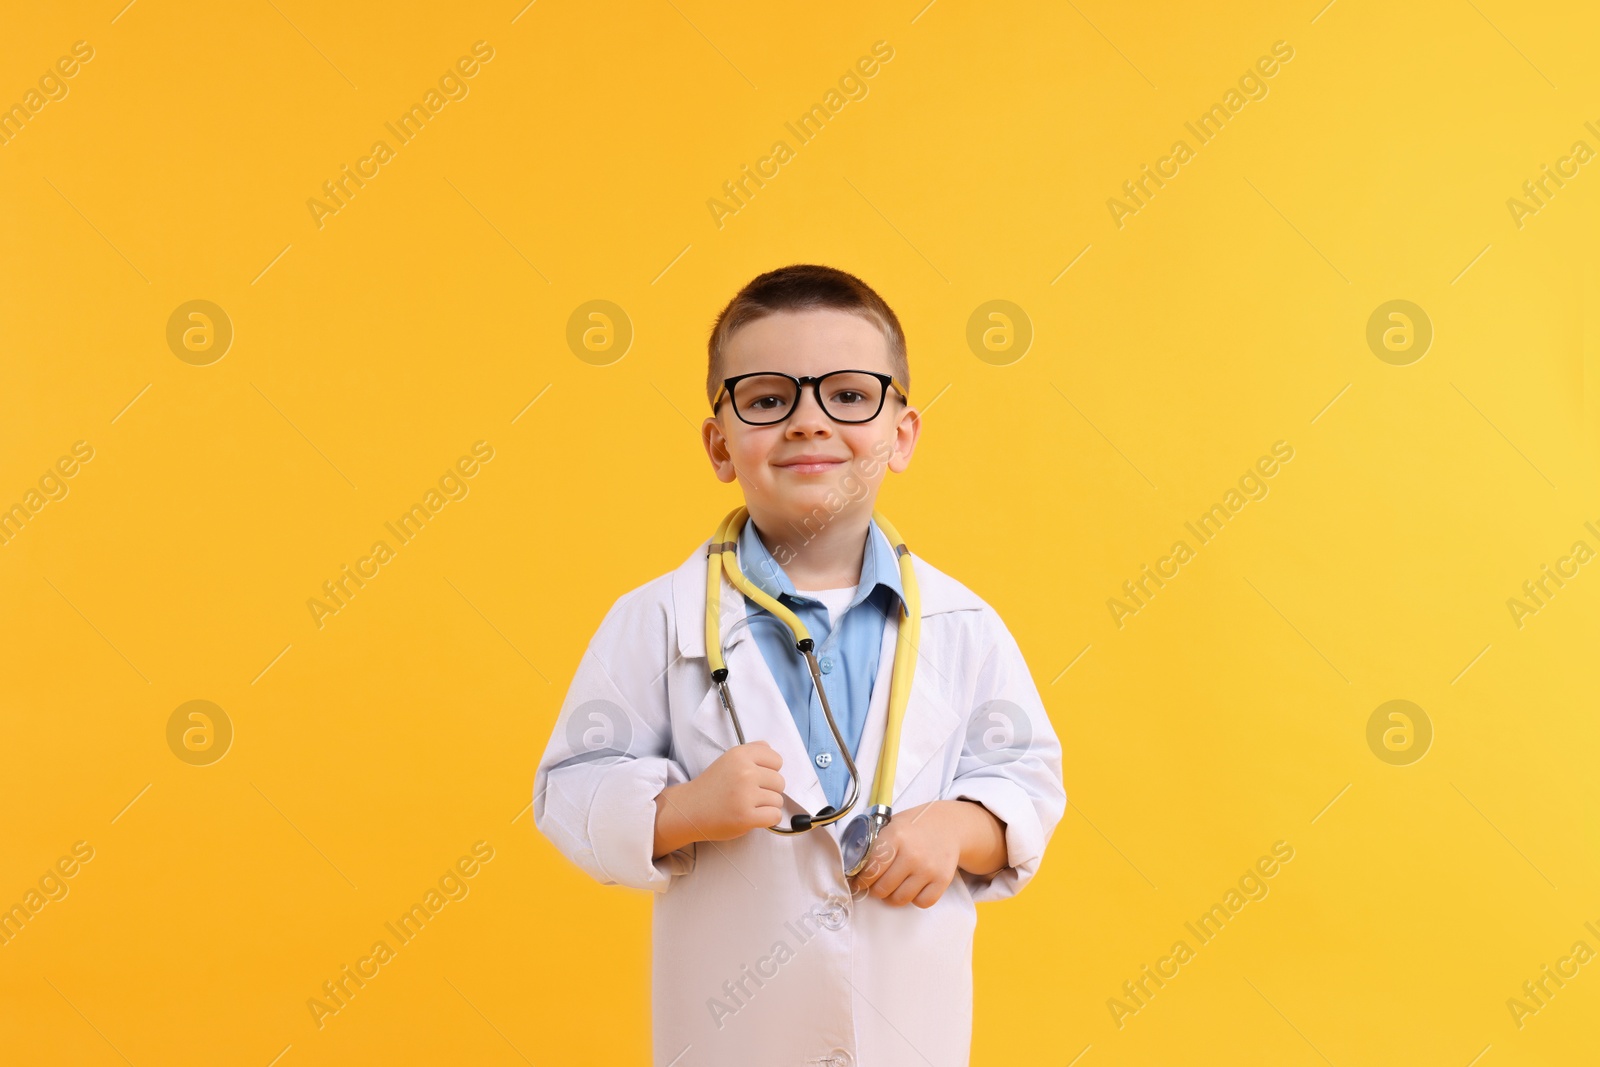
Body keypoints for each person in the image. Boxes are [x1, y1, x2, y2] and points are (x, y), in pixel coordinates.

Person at [533, 263, 1066, 1066]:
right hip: (733, 1033)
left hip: (907, 1034)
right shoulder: (654, 620)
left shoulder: (964, 628)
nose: (809, 422)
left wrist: (957, 825)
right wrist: (686, 809)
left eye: (849, 395)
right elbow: (569, 788)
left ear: (903, 433)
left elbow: (1025, 783)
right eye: (768, 398)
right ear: (720, 444)